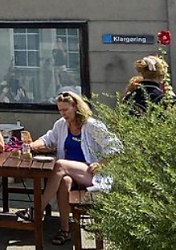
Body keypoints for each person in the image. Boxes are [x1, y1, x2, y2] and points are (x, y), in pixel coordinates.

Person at [16, 91, 121, 246]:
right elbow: (48, 139)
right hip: (69, 173)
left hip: (91, 173)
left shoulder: (91, 125)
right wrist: (31, 146)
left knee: (60, 165)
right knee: (64, 181)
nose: (63, 114)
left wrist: (102, 163)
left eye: (66, 110)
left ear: (76, 107)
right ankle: (65, 231)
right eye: (60, 110)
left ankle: (37, 210)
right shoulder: (61, 125)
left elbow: (117, 147)